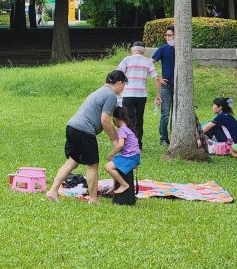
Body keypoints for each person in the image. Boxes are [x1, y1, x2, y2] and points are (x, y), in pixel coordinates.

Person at [46, 70, 127, 204]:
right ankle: (93, 198)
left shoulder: (100, 91)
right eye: (124, 85)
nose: (123, 88)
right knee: (92, 165)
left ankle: (52, 191)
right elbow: (105, 120)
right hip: (84, 130)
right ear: (119, 82)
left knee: (72, 162)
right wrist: (115, 139)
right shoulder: (110, 95)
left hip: (72, 126)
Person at [117, 41, 160, 148]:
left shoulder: (126, 60)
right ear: (143, 51)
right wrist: (158, 94)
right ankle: (138, 144)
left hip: (128, 94)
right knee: (139, 120)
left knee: (129, 119)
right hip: (141, 95)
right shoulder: (148, 62)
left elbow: (117, 74)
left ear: (132, 50)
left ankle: (129, 144)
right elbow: (156, 78)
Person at [104, 106, 141, 195]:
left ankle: (124, 184)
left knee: (108, 167)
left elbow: (120, 145)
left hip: (130, 157)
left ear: (115, 119)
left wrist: (111, 154)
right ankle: (115, 184)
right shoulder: (128, 128)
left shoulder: (122, 129)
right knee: (111, 162)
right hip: (133, 156)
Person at [151, 27, 176, 146]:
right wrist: (158, 77)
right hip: (166, 86)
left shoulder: (182, 50)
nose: (167, 38)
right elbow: (148, 63)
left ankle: (174, 137)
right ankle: (163, 139)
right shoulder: (163, 49)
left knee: (175, 114)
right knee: (165, 114)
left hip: (179, 87)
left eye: (170, 35)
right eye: (166, 35)